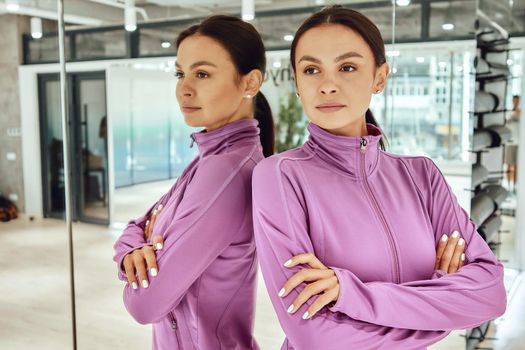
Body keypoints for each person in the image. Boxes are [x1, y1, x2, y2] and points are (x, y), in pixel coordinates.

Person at [251, 6, 506, 350]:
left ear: (380, 77)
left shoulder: (421, 175)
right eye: (311, 70)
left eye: (348, 67)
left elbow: (490, 295)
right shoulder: (279, 176)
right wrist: (441, 311)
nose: (327, 85)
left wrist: (350, 294)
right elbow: (313, 336)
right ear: (297, 83)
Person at [113, 15, 274, 349]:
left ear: (250, 82)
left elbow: (145, 304)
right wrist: (132, 250)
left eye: (202, 74)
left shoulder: (226, 173)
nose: (184, 89)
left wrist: (137, 258)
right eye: (180, 73)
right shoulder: (208, 160)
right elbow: (139, 223)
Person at [505, 95, 520, 193]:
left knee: (516, 166)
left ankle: (514, 186)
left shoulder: (521, 113)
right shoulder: (508, 113)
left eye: (517, 101)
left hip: (518, 143)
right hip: (510, 143)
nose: (515, 102)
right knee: (509, 165)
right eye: (514, 100)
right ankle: (509, 185)